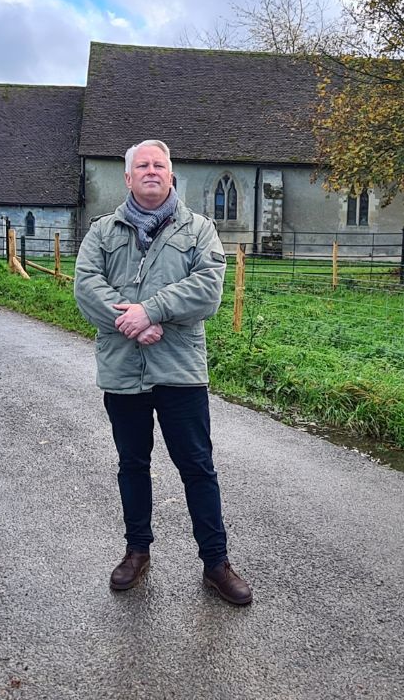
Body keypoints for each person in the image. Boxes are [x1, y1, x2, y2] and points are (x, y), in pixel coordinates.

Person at [74, 139, 252, 605]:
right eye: (143, 166)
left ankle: (216, 563)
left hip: (180, 372)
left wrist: (149, 312)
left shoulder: (200, 231)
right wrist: (130, 324)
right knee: (133, 463)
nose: (152, 171)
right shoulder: (102, 231)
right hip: (122, 371)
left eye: (160, 165)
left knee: (197, 467)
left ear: (171, 176)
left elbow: (208, 290)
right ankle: (137, 551)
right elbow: (86, 284)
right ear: (128, 177)